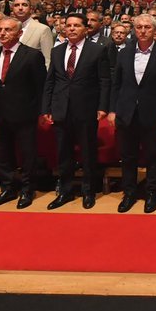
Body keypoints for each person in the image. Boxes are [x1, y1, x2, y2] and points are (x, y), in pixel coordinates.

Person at [109, 13, 156, 213]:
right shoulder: (124, 53)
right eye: (139, 27)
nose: (143, 31)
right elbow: (116, 85)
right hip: (126, 112)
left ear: (155, 30)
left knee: (153, 155)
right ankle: (129, 193)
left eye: (148, 27)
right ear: (134, 29)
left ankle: (152, 193)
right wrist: (112, 110)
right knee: (127, 155)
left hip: (153, 113)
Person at [44, 14, 111, 210]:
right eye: (68, 25)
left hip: (87, 109)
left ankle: (88, 191)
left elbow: (104, 81)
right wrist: (46, 108)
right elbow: (50, 81)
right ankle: (65, 191)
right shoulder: (57, 51)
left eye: (76, 25)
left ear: (85, 28)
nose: (71, 29)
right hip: (60, 109)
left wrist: (102, 106)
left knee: (88, 153)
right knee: (63, 153)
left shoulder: (97, 50)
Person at [0, 18, 47, 209]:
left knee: (27, 154)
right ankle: (8, 188)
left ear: (19, 33)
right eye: (0, 30)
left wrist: (40, 112)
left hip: (24, 113)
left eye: (8, 30)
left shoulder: (32, 55)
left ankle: (27, 189)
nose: (2, 33)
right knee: (2, 153)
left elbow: (40, 87)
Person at [11, 0, 53, 68]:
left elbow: (48, 60)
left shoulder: (43, 29)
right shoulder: (6, 28)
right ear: (12, 9)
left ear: (31, 9)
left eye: (24, 5)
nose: (20, 8)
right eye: (17, 5)